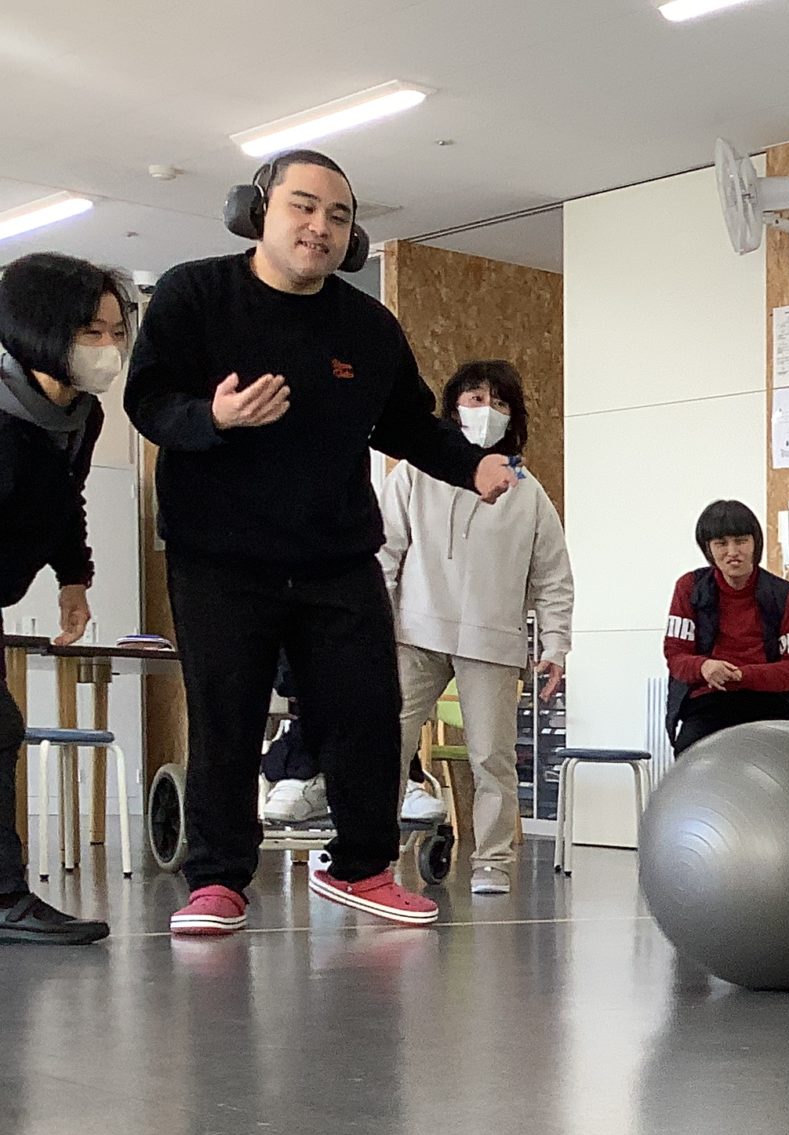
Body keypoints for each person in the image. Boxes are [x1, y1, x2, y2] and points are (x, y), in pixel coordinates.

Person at [124, 149, 517, 937]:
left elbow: (406, 424)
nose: (320, 227)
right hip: (219, 556)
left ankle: (361, 868)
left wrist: (471, 464)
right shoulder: (194, 294)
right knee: (228, 719)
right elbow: (148, 401)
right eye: (303, 206)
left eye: (338, 216)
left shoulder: (366, 327)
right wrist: (214, 417)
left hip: (335, 556)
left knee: (367, 713)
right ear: (258, 212)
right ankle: (218, 881)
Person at [379, 358, 572, 894]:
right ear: (453, 407)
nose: (487, 411)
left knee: (492, 756)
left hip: (491, 639)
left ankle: (493, 859)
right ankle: (373, 852)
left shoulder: (527, 492)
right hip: (414, 632)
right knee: (387, 741)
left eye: (500, 402)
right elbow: (384, 549)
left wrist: (555, 645)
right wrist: (373, 623)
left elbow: (553, 576)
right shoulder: (413, 473)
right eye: (475, 399)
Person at [0, 252, 133, 945]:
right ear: (40, 329)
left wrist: (73, 581)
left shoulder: (81, 417)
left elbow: (63, 502)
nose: (108, 347)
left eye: (116, 332)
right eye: (90, 331)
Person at [662, 501, 789, 755]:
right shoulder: (689, 588)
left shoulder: (784, 595)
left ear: (755, 543)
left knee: (785, 760)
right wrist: (703, 667)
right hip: (708, 700)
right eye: (721, 544)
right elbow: (675, 655)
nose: (732, 552)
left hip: (772, 700)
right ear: (708, 549)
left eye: (741, 541)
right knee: (689, 756)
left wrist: (743, 675)